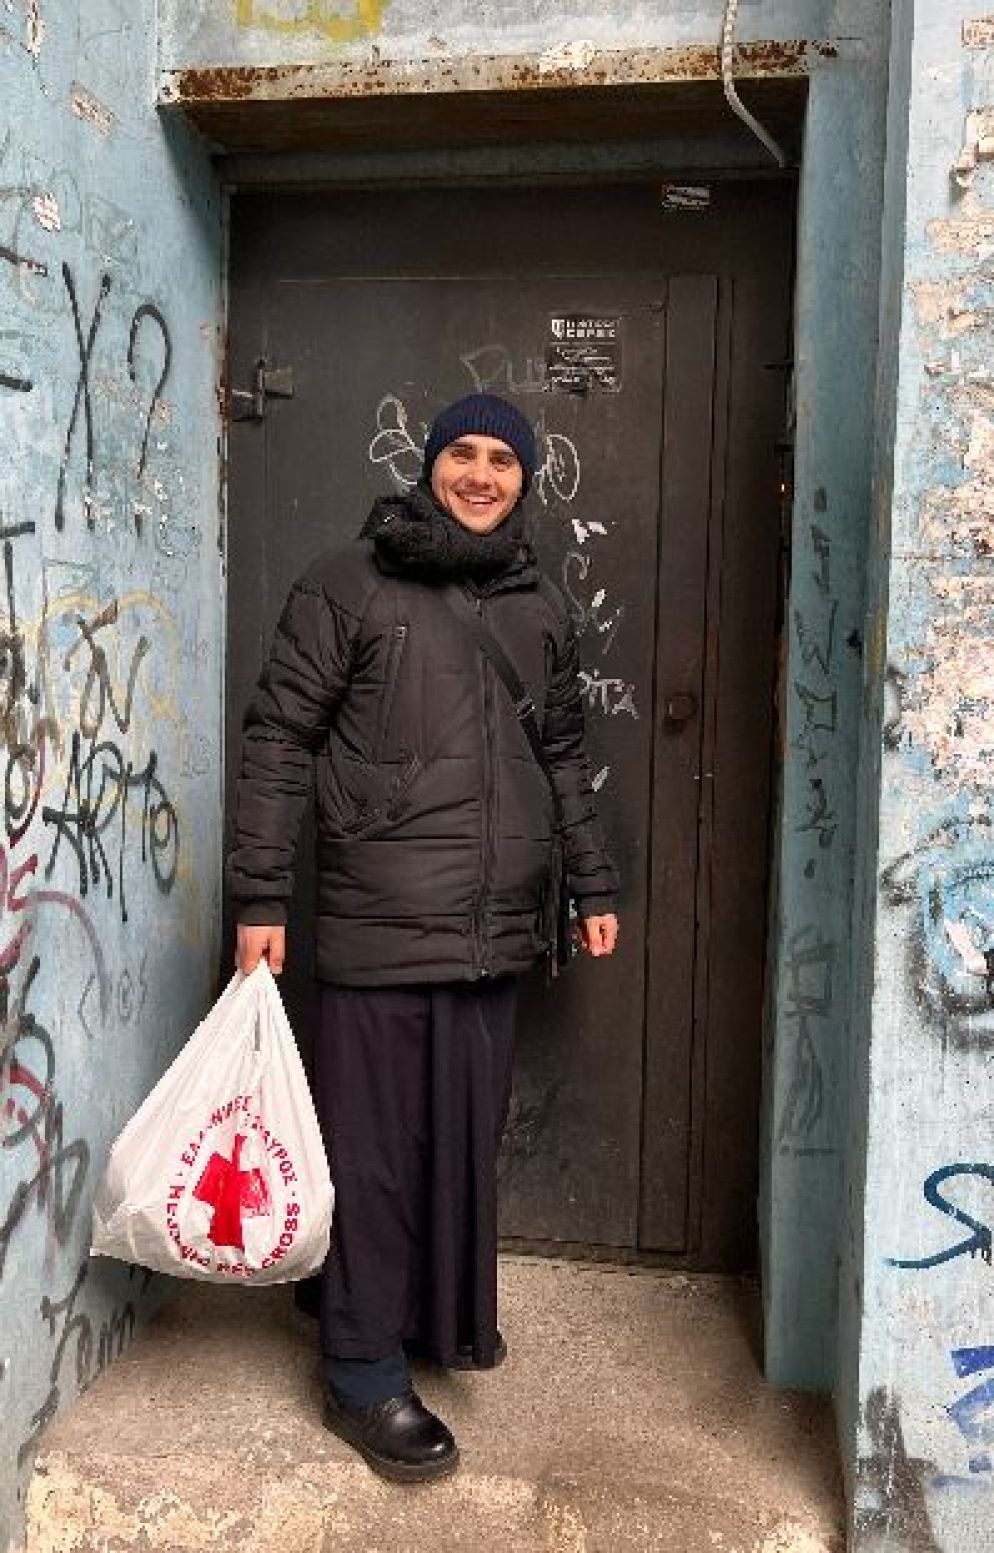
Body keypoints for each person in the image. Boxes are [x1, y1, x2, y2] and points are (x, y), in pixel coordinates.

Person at [228, 392, 619, 1483]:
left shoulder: (537, 604)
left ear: (524, 480)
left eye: (503, 459)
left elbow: (561, 757)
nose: (482, 474)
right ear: (429, 465)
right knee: (374, 1150)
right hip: (378, 918)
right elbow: (278, 740)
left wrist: (590, 879)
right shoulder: (347, 582)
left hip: (495, 928)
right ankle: (359, 1373)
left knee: (451, 1142)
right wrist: (259, 897)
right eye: (463, 454)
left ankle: (421, 1324)